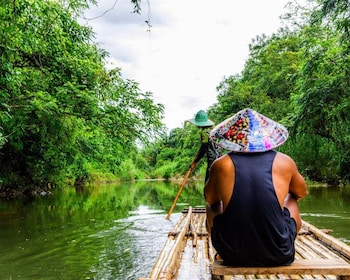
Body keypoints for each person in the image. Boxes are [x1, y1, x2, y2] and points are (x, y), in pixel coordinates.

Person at [204, 108, 308, 267]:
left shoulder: (220, 164)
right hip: (279, 253)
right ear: (266, 137)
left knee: (213, 206)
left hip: (232, 254)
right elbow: (301, 192)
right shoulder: (285, 162)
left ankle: (223, 247)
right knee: (291, 196)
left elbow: (210, 199)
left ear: (234, 138)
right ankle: (281, 239)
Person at [187, 110, 222, 183]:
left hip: (212, 161)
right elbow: (204, 146)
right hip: (220, 158)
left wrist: (194, 162)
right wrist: (195, 160)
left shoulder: (204, 133)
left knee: (207, 184)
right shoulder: (214, 130)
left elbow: (204, 149)